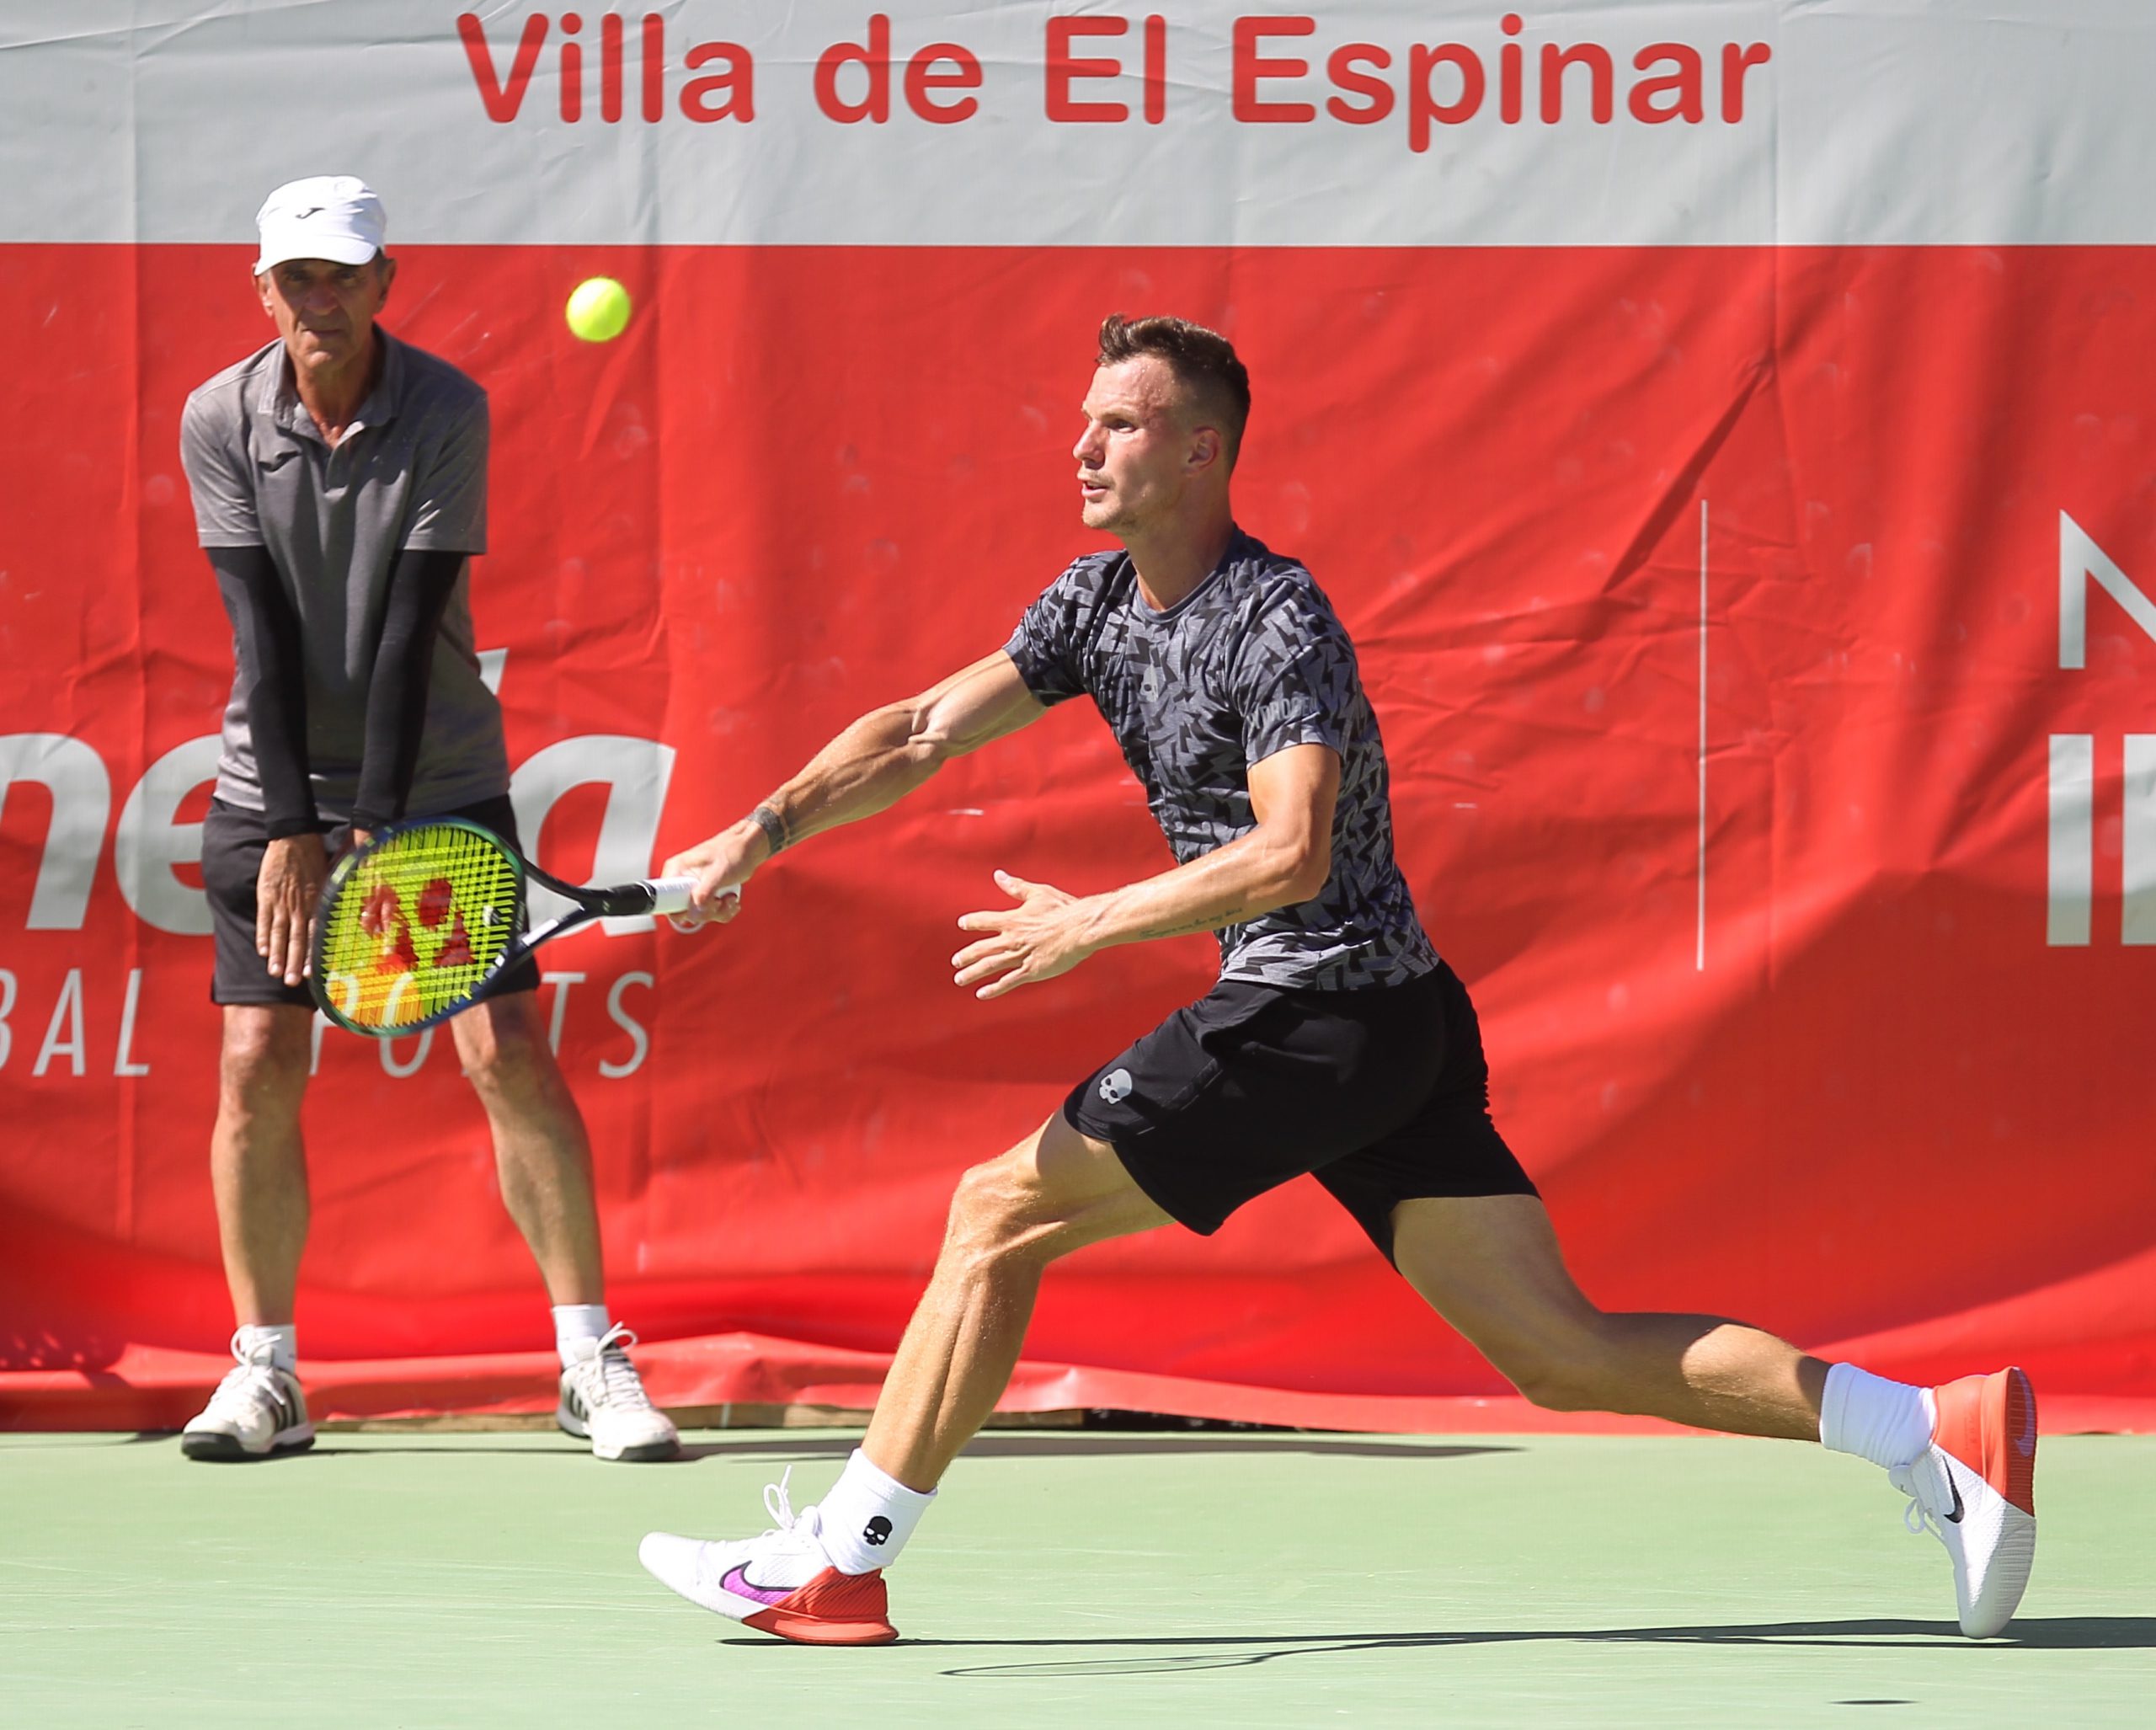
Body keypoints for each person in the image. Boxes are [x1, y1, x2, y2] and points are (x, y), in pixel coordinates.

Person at [636, 315, 2036, 1642]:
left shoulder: (1273, 616)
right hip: (1395, 1019)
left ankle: (838, 1563)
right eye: (1084, 421)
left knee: (995, 1211)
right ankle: (1933, 1429)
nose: (1084, 446)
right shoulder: (1095, 602)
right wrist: (760, 831)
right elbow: (923, 731)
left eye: (1122, 424)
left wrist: (1092, 923)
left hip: (1324, 1009)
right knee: (1560, 1348)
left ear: (1202, 452)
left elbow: (1294, 850)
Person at [174, 175, 677, 1464]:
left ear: (386, 282)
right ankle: (266, 1374)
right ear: (264, 290)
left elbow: (407, 628)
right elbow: (261, 631)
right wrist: (296, 821)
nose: (321, 299)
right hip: (268, 786)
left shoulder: (447, 408)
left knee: (504, 1049)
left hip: (437, 775)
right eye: (298, 278)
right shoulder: (218, 418)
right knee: (252, 1065)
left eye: (343, 275)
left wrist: (378, 827)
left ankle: (587, 1362)